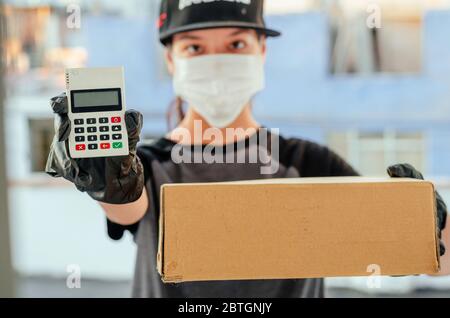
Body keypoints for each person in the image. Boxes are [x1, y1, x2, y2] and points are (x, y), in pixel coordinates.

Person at [45, 0, 447, 298]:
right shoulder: (145, 167)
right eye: (195, 48)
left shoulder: (307, 163)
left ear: (262, 51)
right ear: (171, 59)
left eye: (236, 44)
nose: (216, 61)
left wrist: (428, 224)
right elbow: (127, 203)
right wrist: (103, 177)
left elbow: (433, 260)